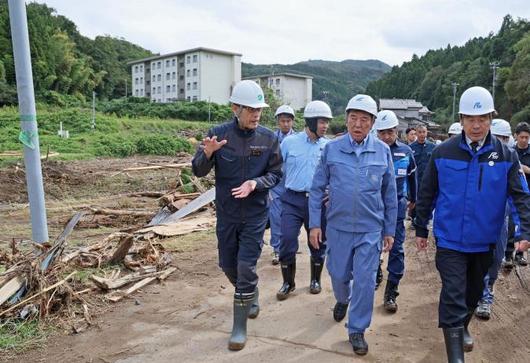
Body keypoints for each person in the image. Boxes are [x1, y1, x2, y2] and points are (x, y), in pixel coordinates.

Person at [415, 86, 530, 362]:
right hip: (450, 240)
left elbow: (520, 196)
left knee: (474, 293)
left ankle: (461, 326)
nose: (476, 125)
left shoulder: (505, 155)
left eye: (482, 119)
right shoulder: (443, 152)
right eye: (470, 119)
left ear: (491, 118)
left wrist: (525, 230)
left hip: (485, 240)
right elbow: (427, 192)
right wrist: (421, 228)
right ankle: (456, 357)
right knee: (454, 293)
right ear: (462, 119)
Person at [191, 80, 282, 351]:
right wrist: (207, 154)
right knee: (227, 266)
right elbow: (198, 171)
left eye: (259, 110)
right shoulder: (218, 135)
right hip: (227, 215)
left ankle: (239, 327)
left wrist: (256, 184)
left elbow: (277, 174)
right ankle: (249, 291)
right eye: (251, 109)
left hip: (255, 215)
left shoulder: (268, 138)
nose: (256, 115)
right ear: (235, 108)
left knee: (245, 266)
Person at [309, 94, 397, 356]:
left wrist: (389, 230)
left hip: (370, 229)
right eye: (353, 118)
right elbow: (316, 189)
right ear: (346, 120)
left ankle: (357, 329)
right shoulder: (332, 150)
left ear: (372, 123)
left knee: (366, 281)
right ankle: (342, 298)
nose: (358, 124)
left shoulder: (382, 151)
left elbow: (389, 194)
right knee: (338, 274)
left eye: (364, 119)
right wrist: (315, 224)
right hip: (338, 227)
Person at [276, 101, 331, 300]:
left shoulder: (328, 146)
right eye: (322, 121)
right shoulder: (289, 143)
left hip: (317, 202)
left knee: (317, 242)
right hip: (291, 199)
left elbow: (336, 173)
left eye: (327, 122)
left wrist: (331, 190)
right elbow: (276, 170)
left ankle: (315, 280)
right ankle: (288, 283)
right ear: (310, 121)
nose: (326, 126)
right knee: (287, 240)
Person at [374, 110, 417, 313]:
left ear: (396, 132)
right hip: (373, 206)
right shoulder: (371, 151)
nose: (386, 136)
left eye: (389, 132)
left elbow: (412, 179)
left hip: (397, 207)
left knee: (396, 248)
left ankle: (391, 291)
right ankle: (374, 273)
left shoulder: (406, 152)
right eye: (382, 133)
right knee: (371, 244)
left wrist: (414, 200)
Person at [475, 119, 518, 320]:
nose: (500, 141)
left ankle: (486, 292)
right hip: (478, 219)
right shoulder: (479, 158)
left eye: (504, 138)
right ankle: (478, 295)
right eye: (497, 137)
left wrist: (521, 228)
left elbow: (519, 195)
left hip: (501, 221)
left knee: (495, 258)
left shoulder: (511, 161)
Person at [268, 105, 295, 265]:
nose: (285, 124)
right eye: (283, 121)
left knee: (291, 219)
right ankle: (277, 250)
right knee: (276, 218)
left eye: (288, 121)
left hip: (291, 185)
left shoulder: (298, 139)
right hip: (276, 185)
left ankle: (289, 245)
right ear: (278, 121)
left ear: (292, 121)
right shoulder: (270, 139)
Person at [505, 122, 530, 267]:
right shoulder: (510, 152)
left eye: (527, 137)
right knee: (511, 223)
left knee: (524, 224)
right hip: (513, 194)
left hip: (527, 194)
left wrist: (525, 169)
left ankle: (520, 254)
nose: (524, 140)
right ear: (516, 136)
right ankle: (508, 255)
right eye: (522, 137)